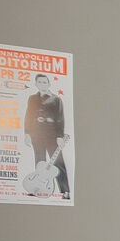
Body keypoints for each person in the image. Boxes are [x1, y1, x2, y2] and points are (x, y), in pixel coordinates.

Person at [22, 72, 70, 200]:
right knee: (40, 162)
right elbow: (28, 116)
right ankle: (37, 187)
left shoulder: (56, 99)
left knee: (58, 162)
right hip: (36, 134)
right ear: (36, 84)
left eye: (45, 82)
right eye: (40, 82)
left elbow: (60, 118)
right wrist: (27, 133)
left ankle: (65, 191)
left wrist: (59, 136)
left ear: (49, 84)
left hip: (52, 135)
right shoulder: (32, 98)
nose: (42, 84)